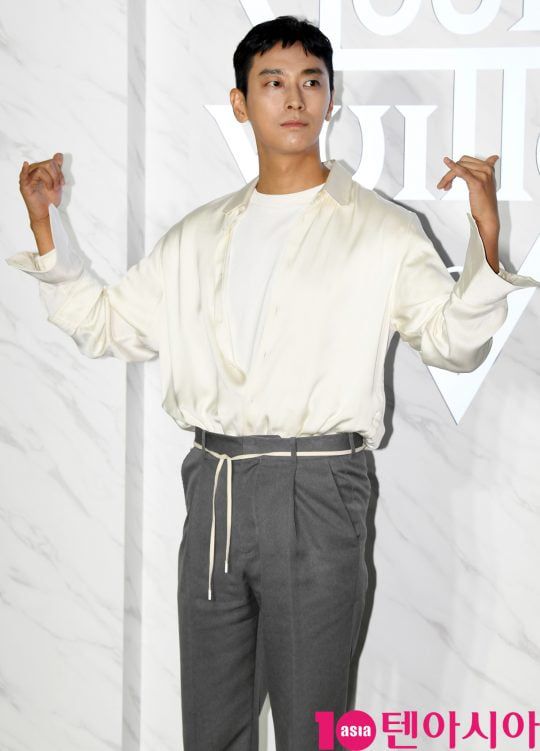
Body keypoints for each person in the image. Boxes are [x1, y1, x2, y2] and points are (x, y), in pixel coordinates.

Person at [6, 14, 540, 751]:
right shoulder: (196, 236)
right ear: (240, 102)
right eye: (273, 82)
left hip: (319, 489)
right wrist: (45, 227)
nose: (294, 98)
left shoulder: (381, 230)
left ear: (330, 99)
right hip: (215, 488)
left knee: (312, 731)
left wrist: (486, 237)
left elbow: (452, 344)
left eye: (311, 81)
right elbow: (107, 325)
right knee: (211, 732)